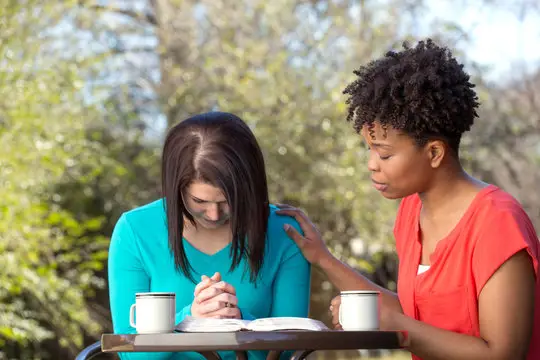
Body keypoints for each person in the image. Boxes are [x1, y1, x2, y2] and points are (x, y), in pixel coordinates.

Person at [277, 39, 540, 360]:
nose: (371, 164)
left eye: (384, 154)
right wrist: (322, 258)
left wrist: (399, 328)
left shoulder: (497, 222)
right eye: (369, 149)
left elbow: (503, 354)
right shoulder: (411, 211)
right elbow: (416, 312)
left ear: (434, 152)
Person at [108, 111, 310, 360]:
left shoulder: (283, 232)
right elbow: (129, 354)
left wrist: (239, 322)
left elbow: (290, 347)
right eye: (199, 201)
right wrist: (189, 320)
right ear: (177, 187)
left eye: (227, 202)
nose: (214, 214)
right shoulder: (135, 230)